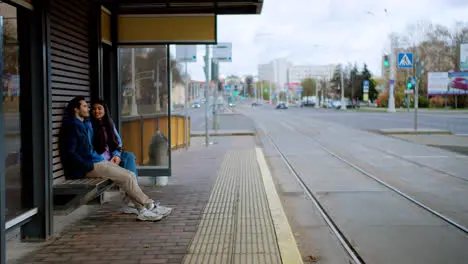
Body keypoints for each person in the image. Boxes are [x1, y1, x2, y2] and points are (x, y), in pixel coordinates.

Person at [59, 96, 171, 221]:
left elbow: (105, 145)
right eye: (85, 106)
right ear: (76, 109)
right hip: (89, 166)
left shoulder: (81, 124)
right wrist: (88, 166)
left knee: (130, 175)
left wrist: (109, 156)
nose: (89, 109)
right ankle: (149, 205)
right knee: (127, 177)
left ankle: (143, 209)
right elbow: (70, 153)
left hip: (97, 161)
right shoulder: (72, 127)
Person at [90, 99, 152, 214]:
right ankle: (136, 199)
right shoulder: (89, 125)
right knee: (128, 175)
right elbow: (90, 148)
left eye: (99, 108)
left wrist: (117, 155)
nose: (96, 111)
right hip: (101, 160)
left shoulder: (109, 123)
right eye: (94, 109)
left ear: (105, 110)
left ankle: (130, 197)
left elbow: (118, 142)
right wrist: (106, 160)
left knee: (129, 157)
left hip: (112, 157)